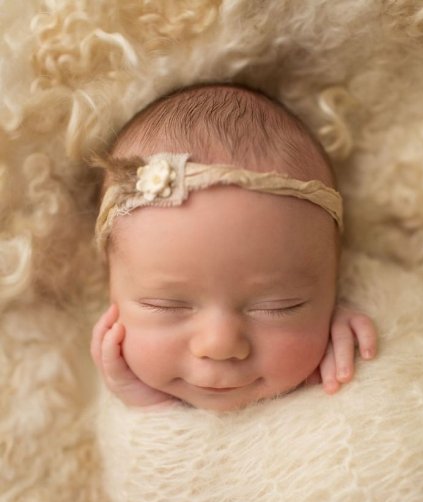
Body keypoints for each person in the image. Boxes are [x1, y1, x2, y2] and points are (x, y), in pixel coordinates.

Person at [90, 83, 377, 412]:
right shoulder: (95, 399)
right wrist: (142, 403)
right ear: (111, 286)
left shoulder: (355, 354)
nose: (219, 345)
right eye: (165, 305)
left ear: (334, 285)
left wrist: (362, 345)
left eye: (278, 307)